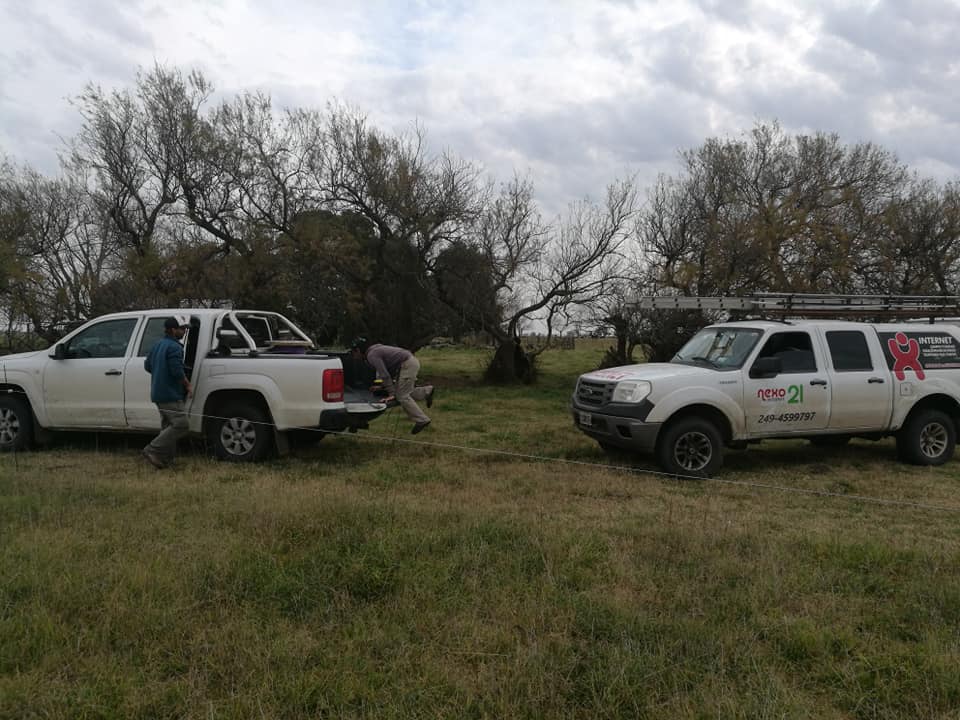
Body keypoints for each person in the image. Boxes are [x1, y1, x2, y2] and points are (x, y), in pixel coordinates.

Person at [351, 337, 434, 434]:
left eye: (353, 353)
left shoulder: (371, 355)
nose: (353, 356)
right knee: (403, 392)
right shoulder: (374, 349)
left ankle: (422, 420)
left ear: (358, 350)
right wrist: (382, 386)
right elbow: (388, 370)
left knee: (402, 396)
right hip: (407, 363)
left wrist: (391, 393)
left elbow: (384, 374)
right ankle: (426, 391)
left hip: (407, 364)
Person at [142, 316, 193, 468]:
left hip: (157, 392)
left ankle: (166, 460)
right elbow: (177, 371)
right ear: (172, 330)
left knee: (168, 426)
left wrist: (160, 373)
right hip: (170, 394)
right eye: (182, 329)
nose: (184, 331)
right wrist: (188, 385)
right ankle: (152, 449)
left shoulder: (157, 344)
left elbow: (147, 366)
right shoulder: (175, 347)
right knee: (182, 424)